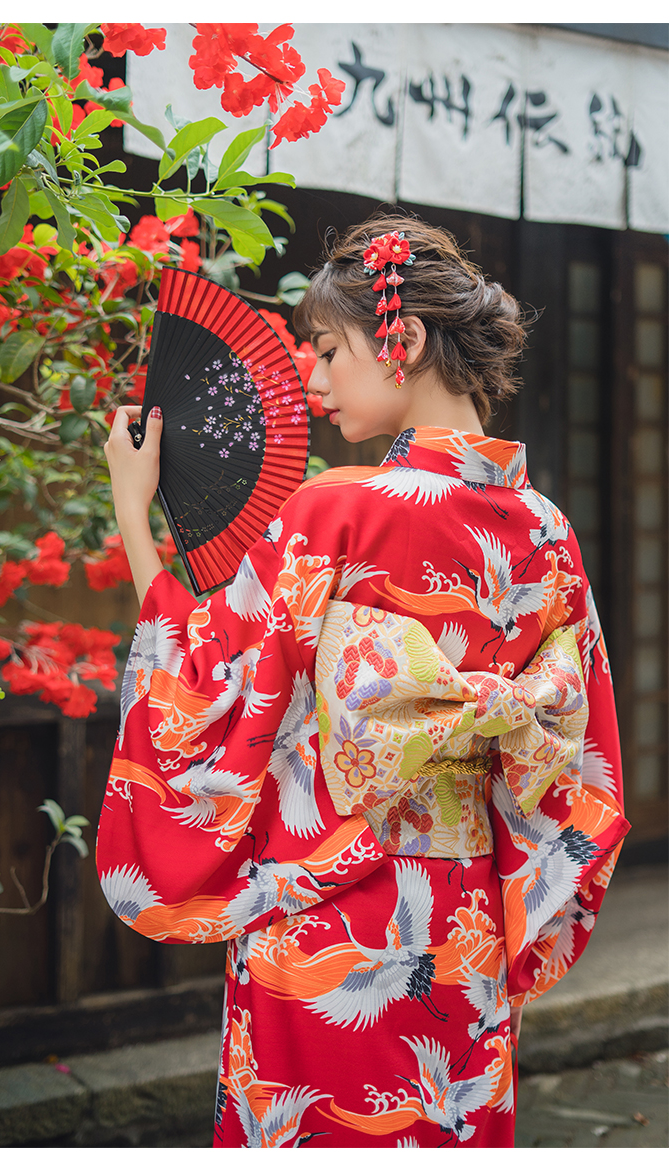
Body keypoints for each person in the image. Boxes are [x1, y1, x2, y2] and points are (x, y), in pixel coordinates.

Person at [97, 213, 629, 1148]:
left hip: (329, 922)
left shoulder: (332, 508)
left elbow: (209, 677)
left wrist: (135, 514)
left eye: (328, 349)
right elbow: (578, 758)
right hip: (467, 932)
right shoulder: (548, 530)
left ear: (404, 340)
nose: (311, 378)